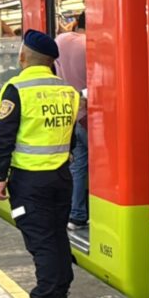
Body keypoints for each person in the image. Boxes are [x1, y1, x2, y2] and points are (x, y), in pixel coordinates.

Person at [0, 30, 79, 298]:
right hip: (62, 177)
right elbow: (71, 137)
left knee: (40, 242)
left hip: (30, 181)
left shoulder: (16, 88)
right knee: (57, 235)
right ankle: (60, 296)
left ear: (22, 57)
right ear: (50, 61)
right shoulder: (67, 90)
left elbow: (3, 137)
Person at [54, 13, 88, 231]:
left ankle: (76, 215)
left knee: (78, 167)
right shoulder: (90, 45)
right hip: (90, 116)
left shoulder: (60, 41)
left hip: (70, 115)